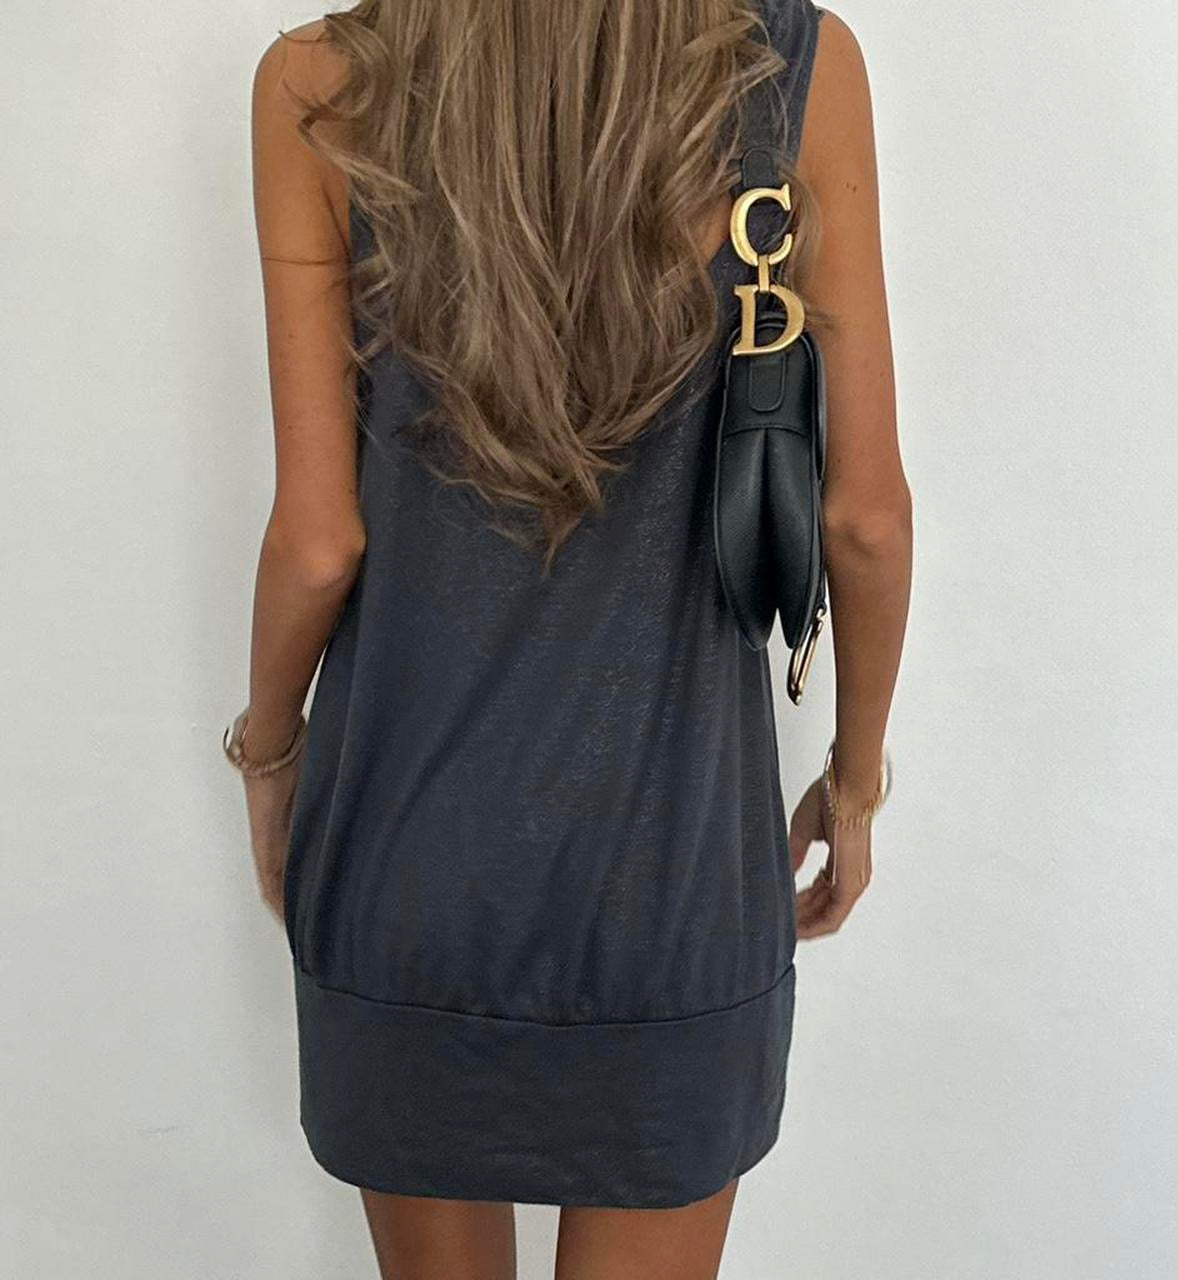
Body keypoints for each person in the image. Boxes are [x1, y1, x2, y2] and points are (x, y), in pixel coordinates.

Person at [225, 0, 911, 1275]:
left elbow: (317, 543)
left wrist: (268, 756)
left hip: (406, 863)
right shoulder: (790, 70)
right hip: (676, 879)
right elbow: (862, 520)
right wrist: (854, 779)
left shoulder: (317, 85)